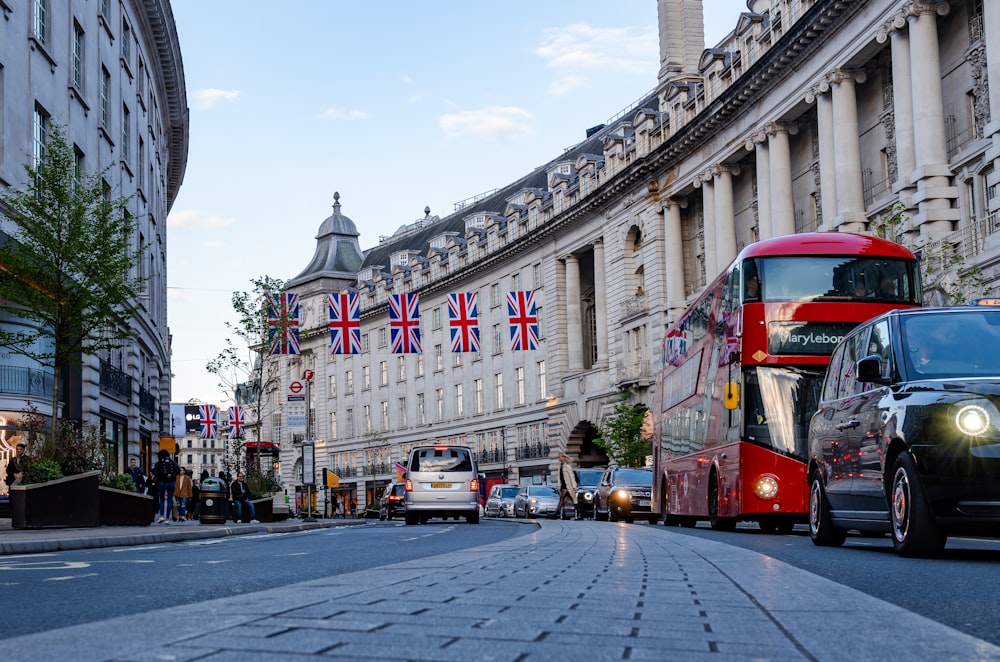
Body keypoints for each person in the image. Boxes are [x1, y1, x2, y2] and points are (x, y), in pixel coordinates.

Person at [152, 449, 178, 524]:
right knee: (170, 499)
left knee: (162, 499)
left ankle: (161, 516)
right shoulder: (173, 462)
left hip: (162, 482)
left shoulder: (159, 463)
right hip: (171, 482)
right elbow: (178, 470)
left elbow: (154, 471)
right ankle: (167, 518)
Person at [555, 453, 579, 519]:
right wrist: (558, 486)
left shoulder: (568, 466)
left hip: (568, 486)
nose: (559, 458)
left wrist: (574, 486)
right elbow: (559, 478)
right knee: (574, 501)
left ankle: (556, 513)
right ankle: (580, 513)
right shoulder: (560, 466)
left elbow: (572, 477)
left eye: (560, 457)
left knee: (562, 499)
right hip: (563, 486)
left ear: (564, 458)